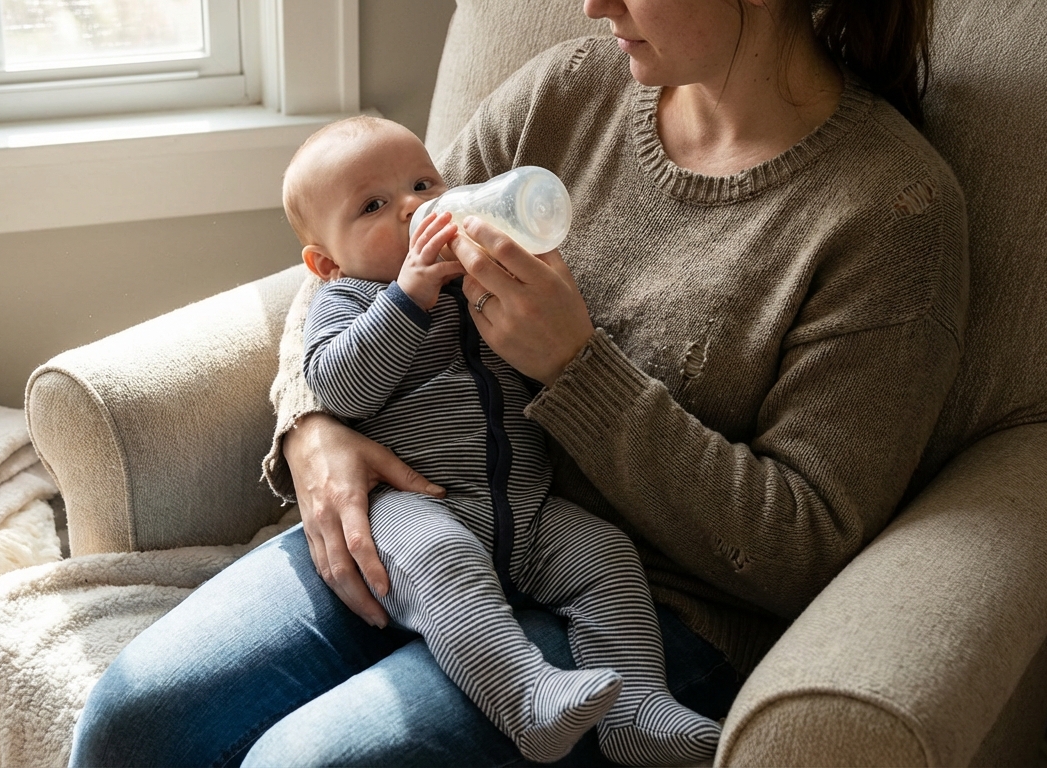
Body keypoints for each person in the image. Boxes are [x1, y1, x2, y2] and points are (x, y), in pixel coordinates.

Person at [69, 0, 967, 765]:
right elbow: (358, 264)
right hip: (422, 514)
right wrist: (312, 425)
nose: (592, 4)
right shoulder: (567, 93)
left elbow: (805, 544)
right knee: (133, 719)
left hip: (639, 601)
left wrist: (579, 372)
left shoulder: (888, 212)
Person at [283, 114, 722, 765]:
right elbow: (339, 387)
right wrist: (406, 299)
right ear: (326, 261)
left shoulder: (475, 273)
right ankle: (527, 699)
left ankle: (637, 710)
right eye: (374, 205)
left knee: (605, 555)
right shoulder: (348, 299)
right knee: (442, 561)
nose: (415, 208)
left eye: (423, 183)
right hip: (422, 506)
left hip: (528, 505)